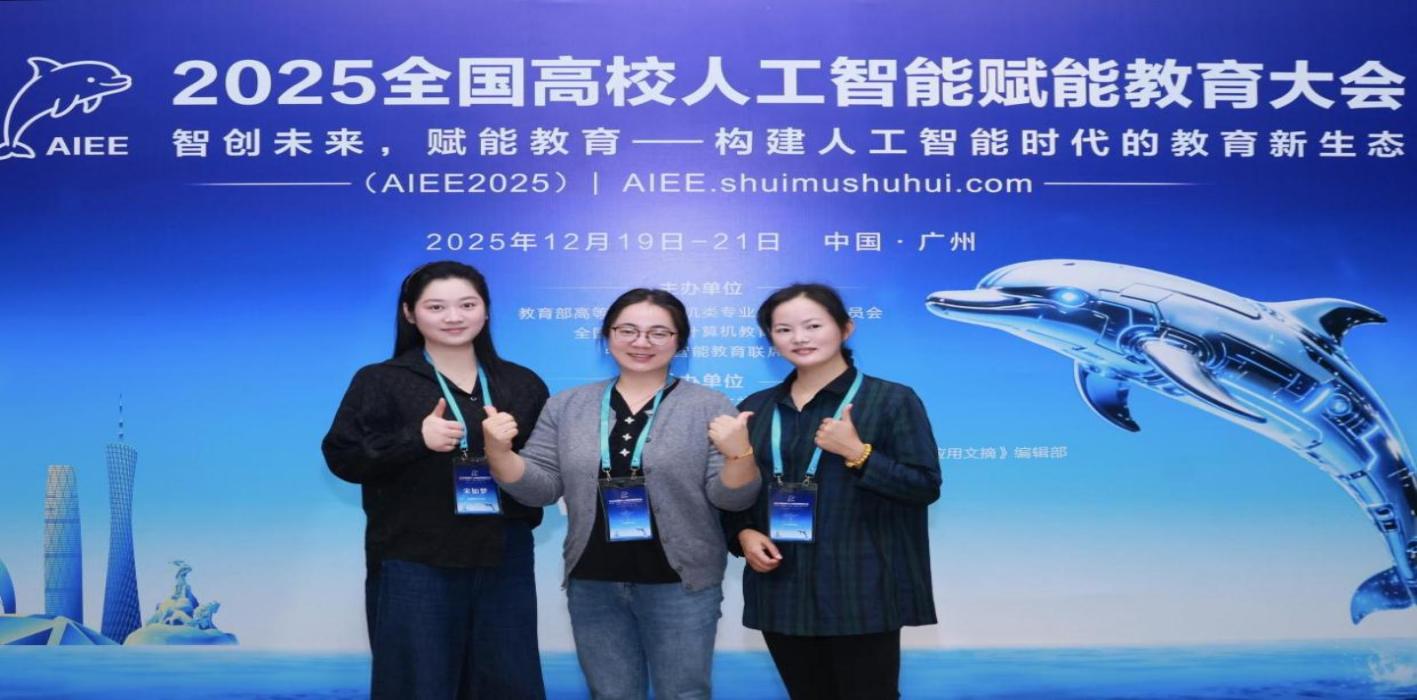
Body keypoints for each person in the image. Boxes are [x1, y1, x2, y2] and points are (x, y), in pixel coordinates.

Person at [482, 288, 761, 700]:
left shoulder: (709, 405)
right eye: (627, 330)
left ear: (679, 341)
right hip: (593, 580)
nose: (641, 342)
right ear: (608, 335)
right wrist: (499, 453)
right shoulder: (568, 405)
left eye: (658, 332)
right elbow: (540, 488)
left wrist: (740, 455)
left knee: (684, 694)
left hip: (681, 583)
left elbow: (731, 498)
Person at [322, 261, 549, 700]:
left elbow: (545, 471)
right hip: (415, 557)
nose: (453, 317)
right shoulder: (380, 380)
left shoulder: (521, 383)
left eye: (467, 305)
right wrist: (415, 439)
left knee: (509, 682)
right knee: (417, 684)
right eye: (436, 307)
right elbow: (342, 457)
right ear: (410, 313)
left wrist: (504, 453)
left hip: (504, 556)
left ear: (486, 310)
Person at [722, 283, 942, 700]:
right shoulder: (756, 407)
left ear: (845, 328)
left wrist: (859, 453)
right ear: (770, 338)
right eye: (784, 329)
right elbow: (737, 490)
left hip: (862, 587)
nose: (799, 338)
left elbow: (924, 486)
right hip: (781, 586)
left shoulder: (891, 400)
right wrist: (743, 533)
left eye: (813, 325)